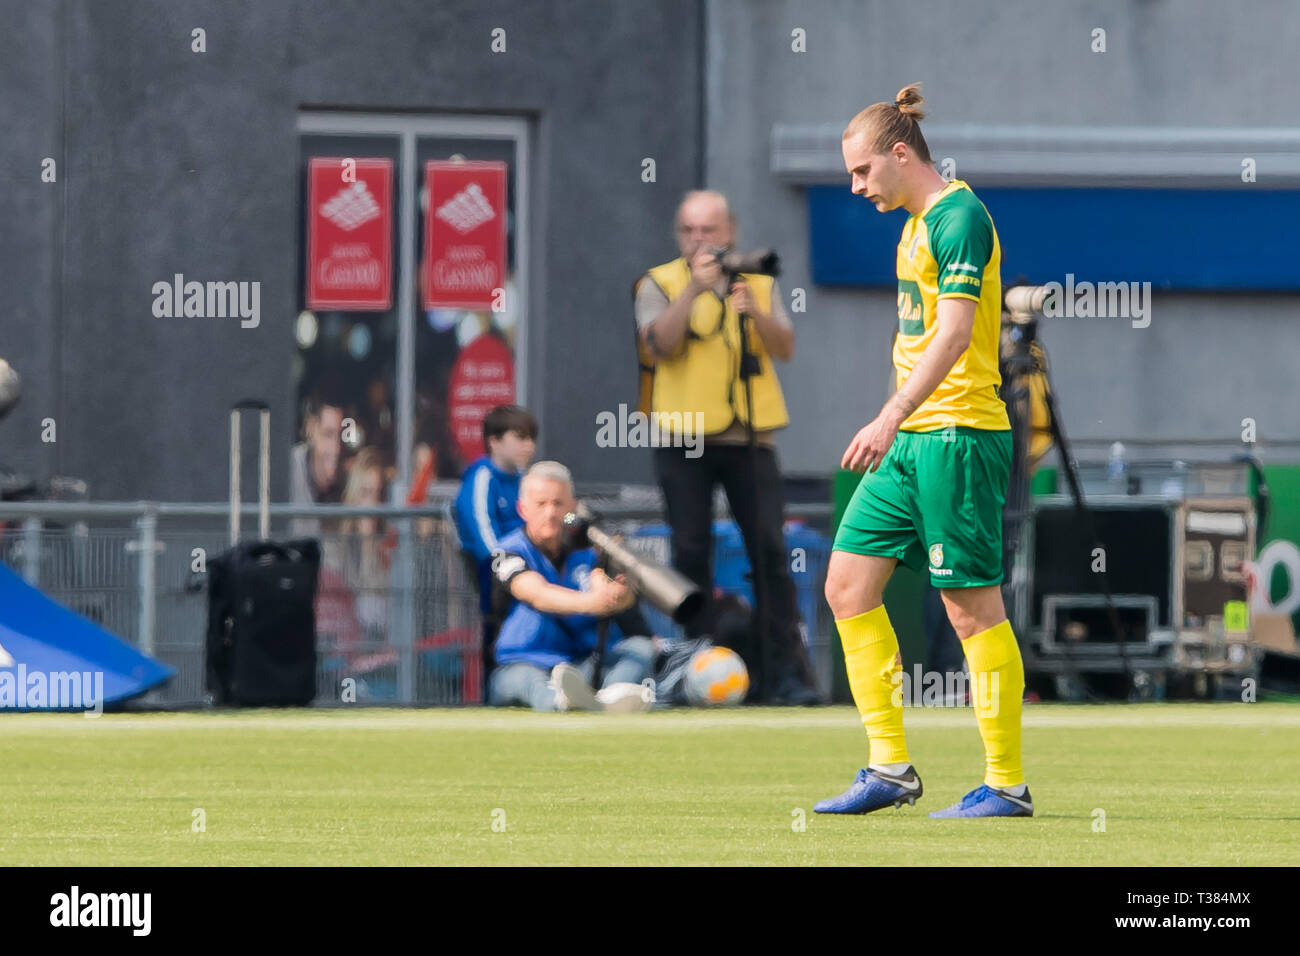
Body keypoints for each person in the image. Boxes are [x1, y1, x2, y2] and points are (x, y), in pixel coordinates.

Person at [816, 84, 1032, 819]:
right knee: (847, 586)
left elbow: (953, 332)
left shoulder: (960, 217)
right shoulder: (912, 224)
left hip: (957, 436)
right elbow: (914, 338)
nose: (855, 186)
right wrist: (896, 419)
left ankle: (1007, 783)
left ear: (901, 155)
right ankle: (890, 769)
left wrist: (891, 413)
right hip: (911, 440)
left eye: (862, 171)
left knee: (970, 610)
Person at [634, 189, 819, 706]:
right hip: (683, 441)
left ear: (730, 231)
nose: (701, 240)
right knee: (691, 553)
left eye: (709, 230)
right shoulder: (658, 283)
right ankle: (692, 673)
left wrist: (754, 311)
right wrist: (693, 290)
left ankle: (784, 674)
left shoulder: (756, 279)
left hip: (749, 436)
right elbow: (658, 345)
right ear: (678, 236)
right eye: (690, 231)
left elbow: (784, 347)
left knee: (770, 555)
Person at [488, 461, 658, 713]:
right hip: (521, 666)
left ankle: (604, 700)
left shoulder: (591, 549)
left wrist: (620, 596)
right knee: (532, 683)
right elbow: (538, 594)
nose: (551, 513)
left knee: (641, 649)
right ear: (522, 509)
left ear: (572, 507)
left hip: (580, 666)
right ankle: (562, 703)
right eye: (541, 504)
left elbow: (620, 595)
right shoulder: (507, 551)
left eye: (558, 504)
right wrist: (595, 602)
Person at [453, 404, 538, 682]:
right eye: (521, 437)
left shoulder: (525, 479)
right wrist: (509, 565)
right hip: (495, 573)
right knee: (497, 630)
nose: (530, 446)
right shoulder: (482, 476)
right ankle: (497, 686)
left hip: (528, 568)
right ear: (494, 441)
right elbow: (481, 530)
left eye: (532, 438)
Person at [290, 388, 346, 538]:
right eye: (328, 434)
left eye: (341, 437)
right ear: (310, 430)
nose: (336, 448)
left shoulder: (347, 479)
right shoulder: (288, 471)